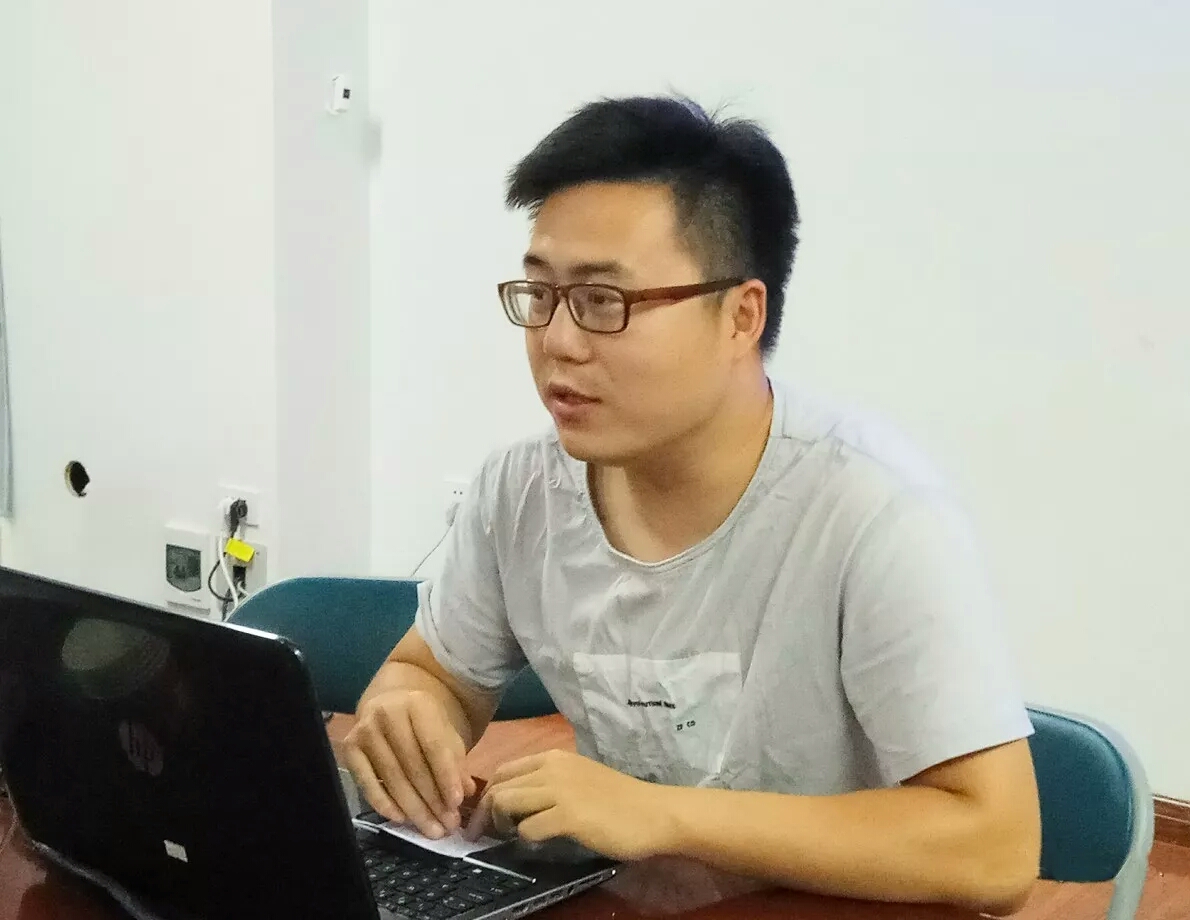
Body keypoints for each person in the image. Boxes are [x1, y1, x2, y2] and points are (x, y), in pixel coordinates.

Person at [344, 95, 1041, 914]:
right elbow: (433, 672)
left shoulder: (872, 514)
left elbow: (996, 846)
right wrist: (409, 712)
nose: (557, 341)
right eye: (540, 295)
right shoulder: (521, 491)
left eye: (603, 302)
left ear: (741, 316)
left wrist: (662, 814)